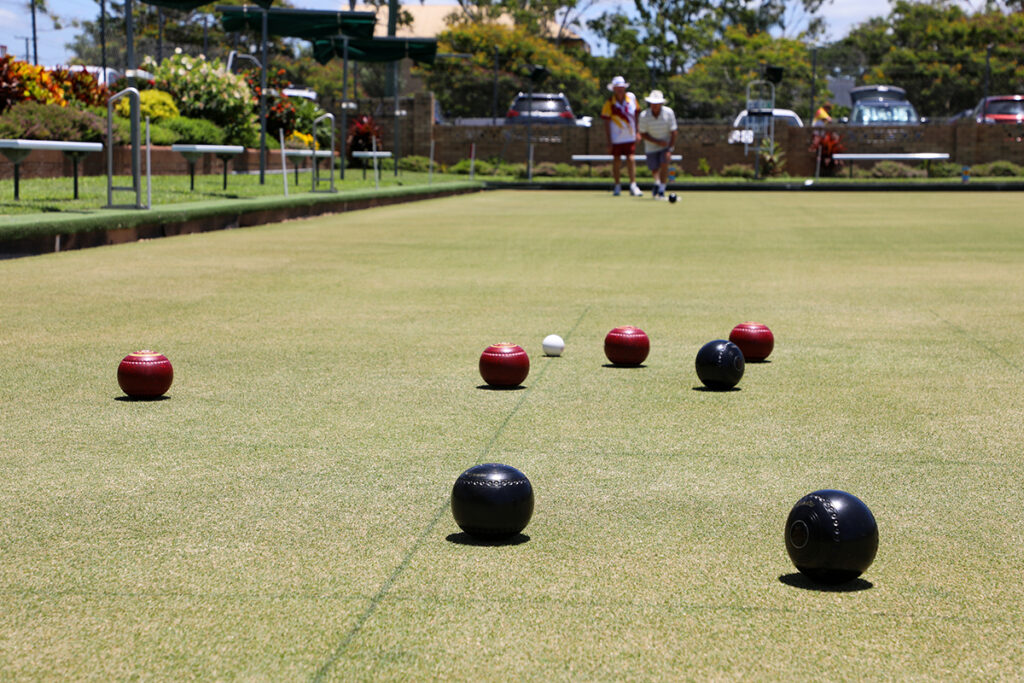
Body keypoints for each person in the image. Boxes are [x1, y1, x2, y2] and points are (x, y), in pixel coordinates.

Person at [600, 76, 642, 197]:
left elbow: (636, 115)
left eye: (621, 88)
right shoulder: (609, 103)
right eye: (617, 88)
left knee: (631, 159)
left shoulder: (632, 98)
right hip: (616, 138)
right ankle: (617, 185)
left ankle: (633, 185)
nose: (620, 90)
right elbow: (606, 122)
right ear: (613, 89)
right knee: (616, 161)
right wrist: (609, 141)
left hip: (630, 136)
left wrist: (637, 132)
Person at [637, 89, 677, 200]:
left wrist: (669, 149)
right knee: (654, 168)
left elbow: (674, 132)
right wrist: (657, 142)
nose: (655, 105)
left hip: (665, 144)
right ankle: (657, 183)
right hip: (651, 145)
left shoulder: (669, 113)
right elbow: (643, 134)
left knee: (664, 163)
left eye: (657, 103)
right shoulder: (644, 116)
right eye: (653, 103)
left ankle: (661, 190)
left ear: (661, 103)